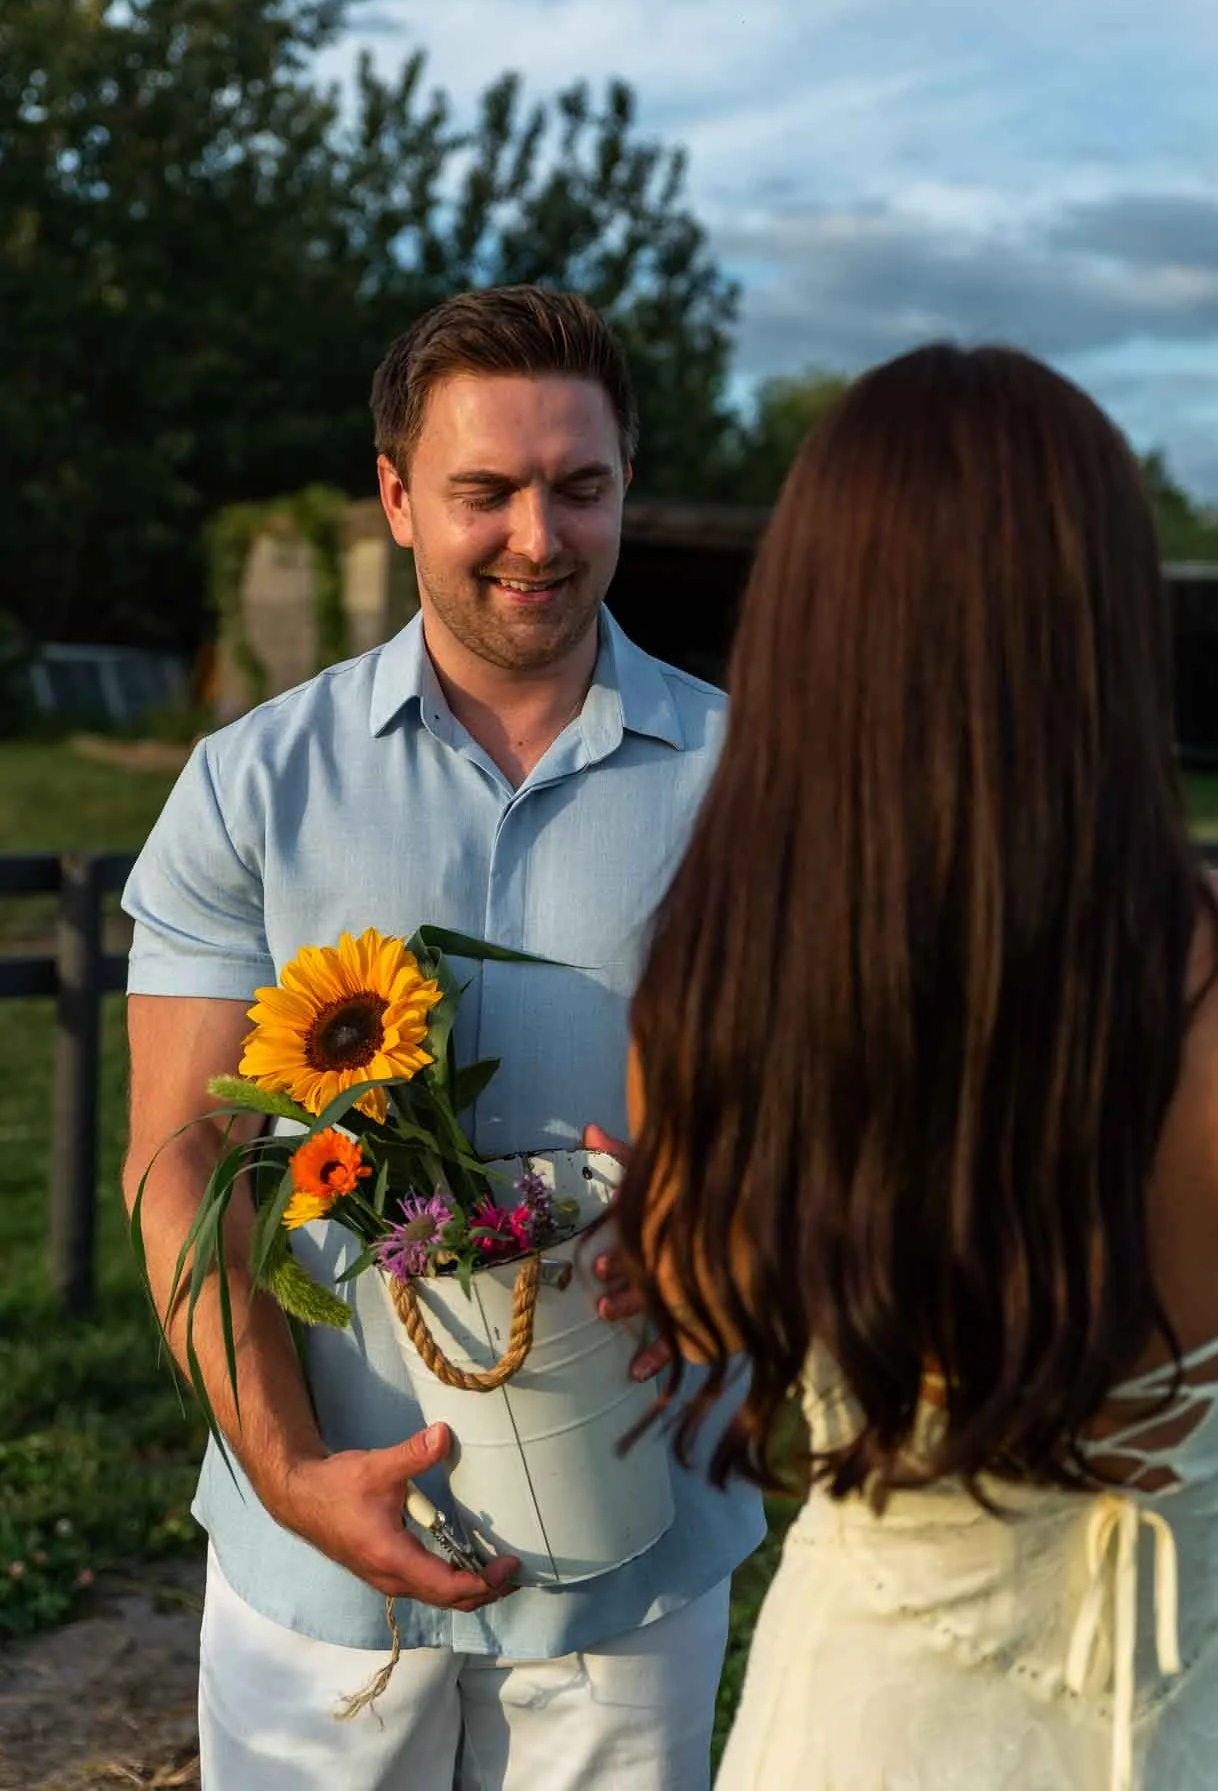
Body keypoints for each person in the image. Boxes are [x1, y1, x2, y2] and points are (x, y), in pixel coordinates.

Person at [608, 343, 1218, 1790]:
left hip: (863, 1721)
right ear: (1102, 620)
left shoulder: (728, 977)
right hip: (1183, 1725)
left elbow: (686, 1308)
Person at [121, 284, 763, 1791]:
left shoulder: (757, 781)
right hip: (326, 1555)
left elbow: (832, 1116)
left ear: (624, 491)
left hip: (635, 1535)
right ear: (399, 498)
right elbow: (180, 1156)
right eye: (485, 491)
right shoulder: (248, 788)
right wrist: (286, 1471)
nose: (538, 537)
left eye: (579, 488)